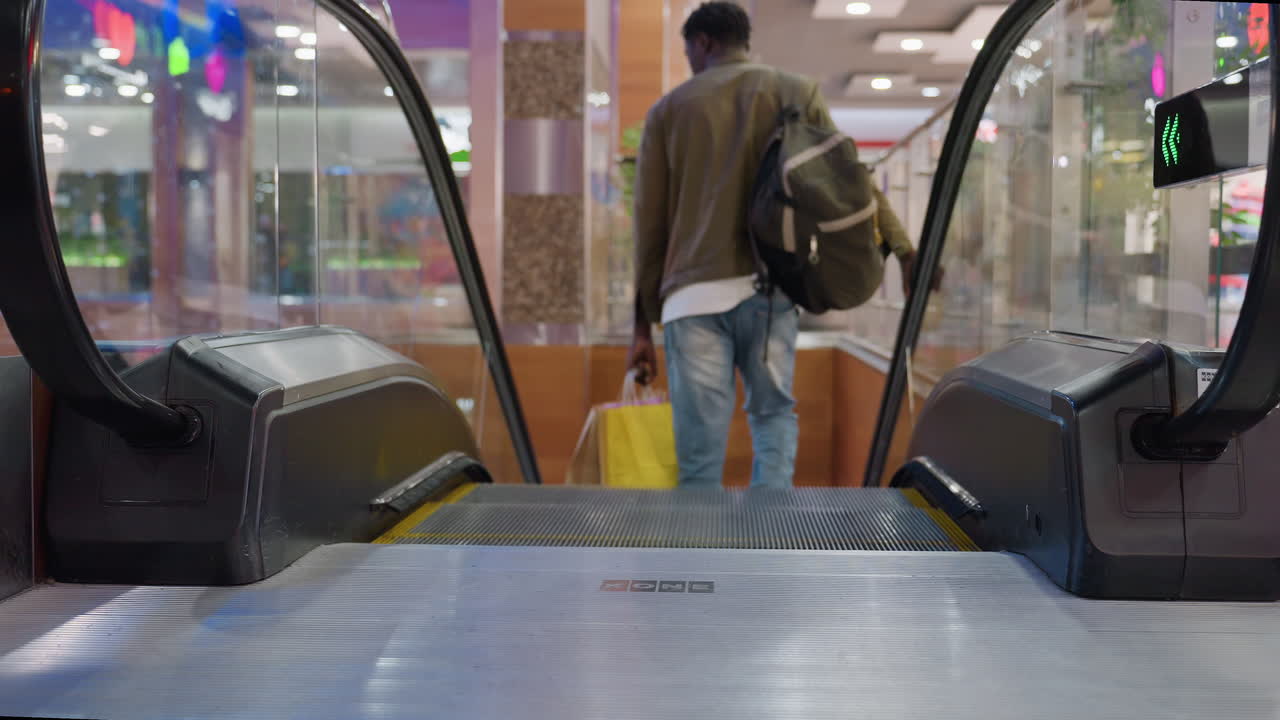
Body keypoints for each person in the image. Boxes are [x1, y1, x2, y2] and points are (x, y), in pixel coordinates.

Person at [627, 1, 927, 489]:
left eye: (688, 52)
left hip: (692, 299)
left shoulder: (668, 111)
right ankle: (768, 544)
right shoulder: (795, 91)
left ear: (703, 43)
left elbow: (649, 224)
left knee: (699, 455)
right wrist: (902, 246)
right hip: (771, 292)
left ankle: (698, 559)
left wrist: (641, 326)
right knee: (772, 417)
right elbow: (847, 179)